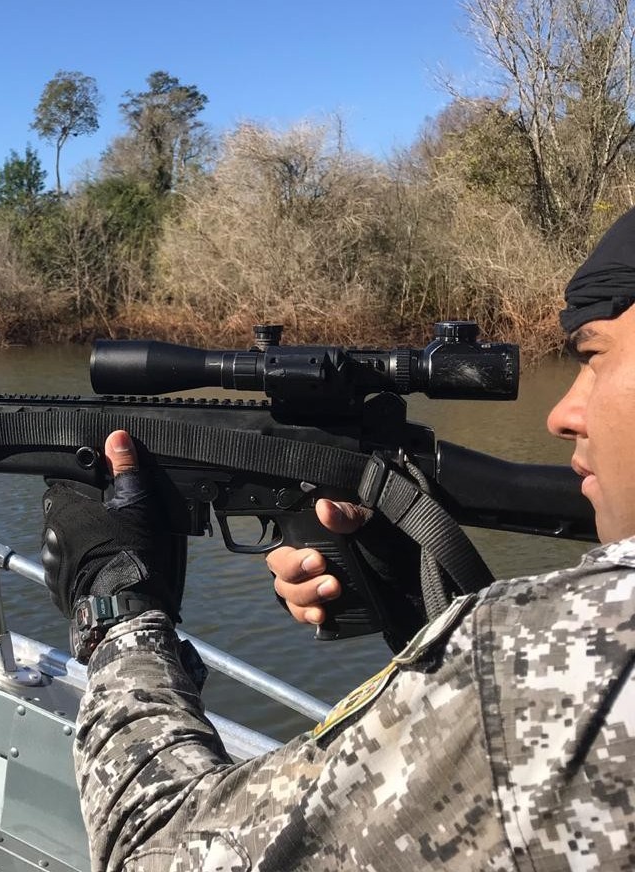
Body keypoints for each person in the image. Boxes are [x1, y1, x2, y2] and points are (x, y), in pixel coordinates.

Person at [41, 209, 635, 871]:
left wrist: (116, 607)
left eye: (592, 358)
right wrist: (402, 568)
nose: (561, 413)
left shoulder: (552, 653)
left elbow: (157, 855)